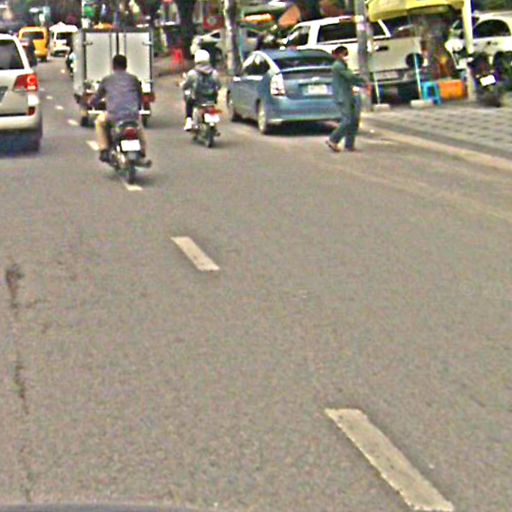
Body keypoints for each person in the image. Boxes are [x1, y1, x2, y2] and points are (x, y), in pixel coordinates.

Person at [90, 54, 148, 163]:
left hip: (114, 115)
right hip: (132, 114)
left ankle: (104, 149)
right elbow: (140, 96)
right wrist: (138, 108)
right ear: (126, 65)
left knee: (99, 122)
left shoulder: (107, 80)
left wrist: (91, 103)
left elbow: (97, 97)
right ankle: (142, 150)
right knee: (138, 126)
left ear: (113, 66)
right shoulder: (133, 79)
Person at [326, 45, 366, 153]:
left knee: (354, 120)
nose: (346, 56)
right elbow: (350, 77)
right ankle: (333, 139)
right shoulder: (338, 66)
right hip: (342, 97)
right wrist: (364, 82)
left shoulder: (342, 65)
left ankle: (349, 144)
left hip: (348, 95)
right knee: (347, 120)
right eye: (345, 54)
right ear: (339, 55)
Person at [181, 49, 221, 131]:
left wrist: (183, 86)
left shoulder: (193, 73)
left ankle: (189, 120)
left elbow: (186, 85)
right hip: (212, 99)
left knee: (188, 100)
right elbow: (219, 85)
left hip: (197, 98)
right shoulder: (214, 73)